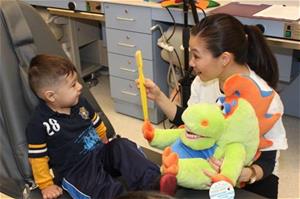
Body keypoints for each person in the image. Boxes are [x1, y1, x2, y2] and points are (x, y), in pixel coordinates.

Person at [137, 13, 288, 199]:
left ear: (224, 59)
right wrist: (159, 97)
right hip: (204, 168)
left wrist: (243, 173)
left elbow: (268, 162)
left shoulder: (265, 98)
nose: (191, 63)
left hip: (252, 182)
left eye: (196, 56)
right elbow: (190, 123)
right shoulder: (201, 82)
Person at [26, 54, 160, 199]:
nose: (79, 86)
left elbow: (97, 124)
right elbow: (37, 158)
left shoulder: (80, 103)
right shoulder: (39, 124)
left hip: (99, 154)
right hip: (78, 172)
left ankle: (154, 182)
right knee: (104, 189)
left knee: (122, 146)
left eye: (77, 81)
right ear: (51, 96)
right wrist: (46, 185)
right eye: (72, 85)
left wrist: (106, 143)